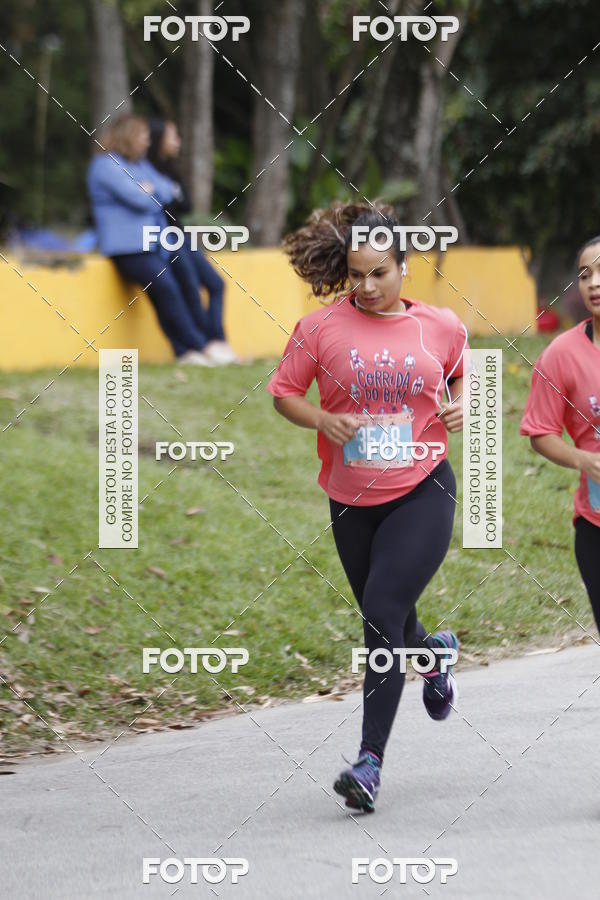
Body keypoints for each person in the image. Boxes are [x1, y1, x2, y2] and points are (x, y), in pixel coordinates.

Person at [266, 201, 469, 813]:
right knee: (392, 618)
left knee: (381, 609)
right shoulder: (320, 328)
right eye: (357, 274)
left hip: (422, 488)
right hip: (351, 499)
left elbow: (459, 374)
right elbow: (282, 394)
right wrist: (323, 418)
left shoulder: (440, 326)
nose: (367, 286)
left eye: (380, 273)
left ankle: (369, 763)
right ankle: (433, 657)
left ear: (404, 266)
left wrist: (458, 404)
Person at [87, 114, 223, 366]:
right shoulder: (105, 166)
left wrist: (149, 190)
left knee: (170, 291)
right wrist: (147, 192)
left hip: (152, 245)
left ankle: (186, 351)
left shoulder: (138, 165)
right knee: (166, 289)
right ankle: (199, 346)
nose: (147, 143)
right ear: (127, 136)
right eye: (142, 137)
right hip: (126, 249)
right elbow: (140, 199)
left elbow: (168, 189)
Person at [521, 235, 600, 637]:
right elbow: (540, 432)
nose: (593, 283)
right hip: (595, 525)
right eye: (585, 274)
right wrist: (582, 460)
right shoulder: (561, 354)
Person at [147, 118, 237, 364]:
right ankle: (204, 346)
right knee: (190, 289)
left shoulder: (170, 170)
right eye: (173, 136)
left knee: (216, 284)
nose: (178, 142)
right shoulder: (144, 170)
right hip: (166, 240)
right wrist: (168, 193)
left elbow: (184, 203)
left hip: (182, 236)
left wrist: (167, 192)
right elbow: (164, 202)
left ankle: (218, 341)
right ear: (158, 140)